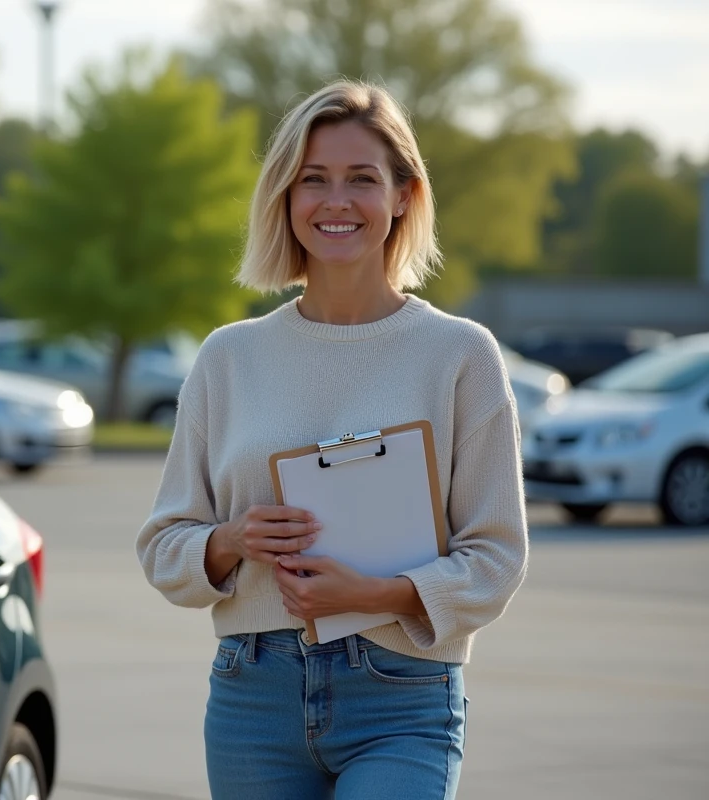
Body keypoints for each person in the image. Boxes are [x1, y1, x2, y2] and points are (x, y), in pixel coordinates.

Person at [136, 79, 529, 800]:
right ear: (285, 199)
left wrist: (376, 592)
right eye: (312, 179)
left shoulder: (459, 355)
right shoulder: (229, 357)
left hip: (402, 696)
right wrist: (232, 540)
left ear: (404, 195)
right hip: (253, 696)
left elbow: (497, 557)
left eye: (362, 179)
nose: (336, 201)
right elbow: (164, 546)